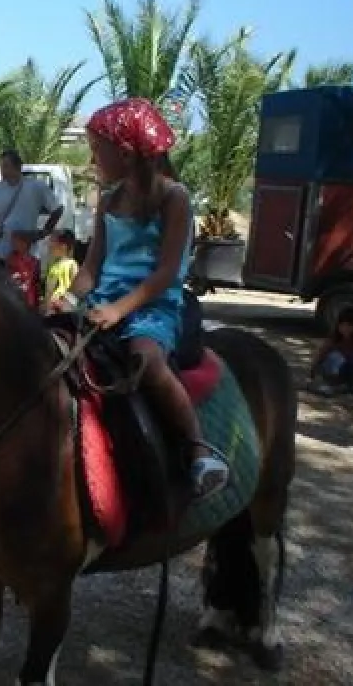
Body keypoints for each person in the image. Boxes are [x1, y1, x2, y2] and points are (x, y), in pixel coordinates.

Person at [59, 98, 229, 499]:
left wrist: (120, 310)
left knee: (146, 360)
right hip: (103, 302)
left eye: (97, 149)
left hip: (152, 305)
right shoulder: (109, 198)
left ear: (125, 152)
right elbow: (91, 268)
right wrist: (66, 300)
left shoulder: (174, 198)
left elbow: (167, 271)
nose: (92, 157)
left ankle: (199, 449)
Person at [0, 149, 62, 263]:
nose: (2, 171)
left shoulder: (37, 187)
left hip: (28, 252)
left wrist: (44, 231)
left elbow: (58, 209)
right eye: (1, 167)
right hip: (1, 252)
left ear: (17, 166)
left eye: (5, 166)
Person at [308, 308, 353, 396]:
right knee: (335, 357)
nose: (345, 328)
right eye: (342, 325)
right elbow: (320, 355)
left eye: (349, 326)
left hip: (347, 370)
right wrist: (312, 372)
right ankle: (330, 385)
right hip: (331, 370)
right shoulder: (333, 340)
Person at [44, 229, 80, 311]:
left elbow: (76, 289)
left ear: (63, 246)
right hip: (51, 308)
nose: (49, 245)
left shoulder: (71, 264)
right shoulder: (54, 265)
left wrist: (62, 303)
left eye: (52, 242)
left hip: (62, 309)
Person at [6, 230, 41, 310]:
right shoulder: (11, 258)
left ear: (25, 244)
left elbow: (37, 281)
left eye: (15, 242)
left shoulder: (36, 262)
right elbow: (9, 277)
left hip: (31, 299)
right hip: (16, 297)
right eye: (12, 242)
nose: (12, 244)